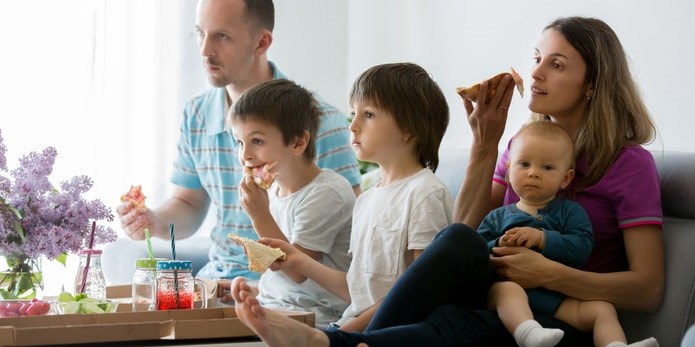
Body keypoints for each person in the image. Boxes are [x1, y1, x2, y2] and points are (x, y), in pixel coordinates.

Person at [230, 16, 664, 347]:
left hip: (563, 317)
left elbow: (647, 289)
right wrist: (486, 142)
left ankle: (330, 341)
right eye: (536, 59)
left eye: (556, 64)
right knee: (457, 241)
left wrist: (549, 272)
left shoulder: (629, 164)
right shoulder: (518, 147)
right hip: (500, 294)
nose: (535, 73)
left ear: (592, 84)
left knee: (446, 326)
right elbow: (463, 237)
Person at [116, 0, 361, 283]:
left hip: (283, 290)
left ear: (262, 42)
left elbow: (351, 231)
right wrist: (154, 221)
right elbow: (189, 202)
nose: (205, 51)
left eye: (222, 36)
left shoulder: (321, 122)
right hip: (217, 280)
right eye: (200, 33)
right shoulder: (196, 115)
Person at [236, 62, 453, 334]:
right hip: (350, 323)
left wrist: (343, 336)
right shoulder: (366, 199)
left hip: (384, 330)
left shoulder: (425, 194)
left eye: (369, 115)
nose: (353, 126)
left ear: (409, 128)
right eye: (353, 114)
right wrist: (298, 259)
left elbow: (419, 293)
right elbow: (356, 291)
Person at [480, 121, 656, 347]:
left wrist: (543, 238)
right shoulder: (497, 217)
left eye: (547, 168)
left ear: (566, 178)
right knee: (508, 291)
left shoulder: (570, 212)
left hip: (559, 299)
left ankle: (616, 345)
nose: (533, 173)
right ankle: (529, 334)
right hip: (511, 292)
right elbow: (477, 251)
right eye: (524, 164)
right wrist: (498, 243)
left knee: (603, 309)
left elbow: (582, 247)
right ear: (508, 170)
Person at [230, 78, 355, 328]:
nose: (245, 155)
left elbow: (296, 271)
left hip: (315, 317)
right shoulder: (274, 190)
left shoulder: (326, 192)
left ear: (298, 142)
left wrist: (259, 215)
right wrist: (256, 287)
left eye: (257, 141)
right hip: (273, 304)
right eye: (240, 142)